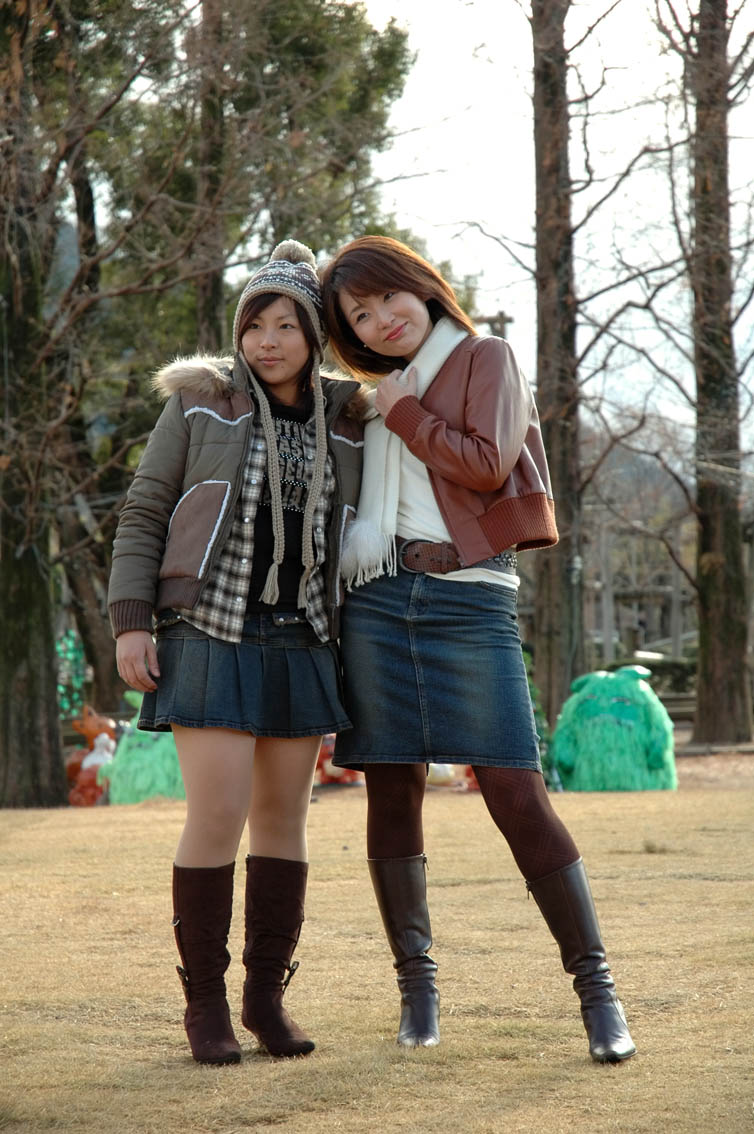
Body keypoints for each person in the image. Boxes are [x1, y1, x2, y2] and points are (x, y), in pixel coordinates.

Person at [319, 234, 636, 1064]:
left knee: (513, 789)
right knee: (392, 792)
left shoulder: (482, 357)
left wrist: (402, 411)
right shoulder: (371, 398)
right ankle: (417, 993)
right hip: (377, 600)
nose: (381, 320)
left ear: (422, 287)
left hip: (469, 599)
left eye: (388, 298)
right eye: (359, 315)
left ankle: (598, 994)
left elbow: (490, 464)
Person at [108, 241, 363, 1065]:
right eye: (254, 324)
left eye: (286, 325)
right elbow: (146, 508)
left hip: (302, 637)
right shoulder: (201, 403)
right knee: (217, 816)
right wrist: (131, 620)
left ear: (314, 336)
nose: (267, 341)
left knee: (285, 820)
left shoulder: (349, 416)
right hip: (208, 631)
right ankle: (206, 1007)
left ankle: (265, 1001)